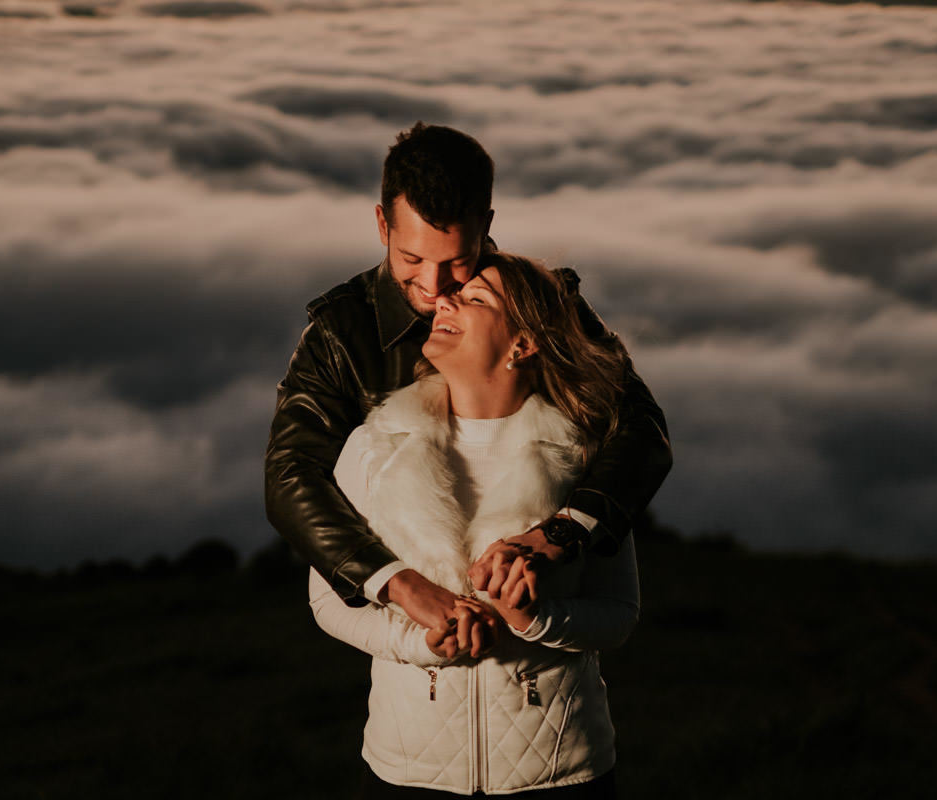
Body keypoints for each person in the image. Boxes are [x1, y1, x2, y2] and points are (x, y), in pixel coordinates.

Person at [265, 122, 670, 633]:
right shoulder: (341, 332)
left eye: (457, 261)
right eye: (412, 259)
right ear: (382, 226)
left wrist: (561, 533)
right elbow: (290, 475)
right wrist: (400, 583)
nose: (435, 288)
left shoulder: (537, 304)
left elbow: (640, 429)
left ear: (487, 224)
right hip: (409, 647)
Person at [311, 251, 638, 797]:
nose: (444, 299)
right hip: (407, 771)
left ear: (523, 344)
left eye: (474, 298)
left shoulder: (583, 457)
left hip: (560, 772)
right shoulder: (374, 446)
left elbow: (619, 613)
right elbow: (328, 600)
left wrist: (534, 619)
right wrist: (422, 643)